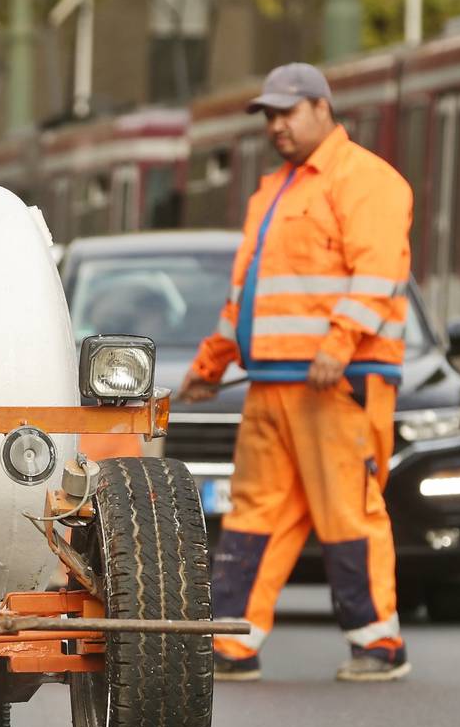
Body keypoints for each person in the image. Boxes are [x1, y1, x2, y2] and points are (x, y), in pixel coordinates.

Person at [177, 63, 415, 683]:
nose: (276, 126)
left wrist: (340, 345)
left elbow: (376, 276)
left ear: (321, 107)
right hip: (275, 382)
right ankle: (232, 642)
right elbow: (247, 298)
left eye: (287, 112)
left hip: (339, 380)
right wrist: (210, 366)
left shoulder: (366, 181)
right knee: (256, 512)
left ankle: (378, 643)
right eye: (268, 116)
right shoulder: (273, 192)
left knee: (348, 510)